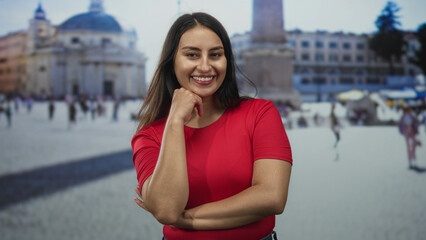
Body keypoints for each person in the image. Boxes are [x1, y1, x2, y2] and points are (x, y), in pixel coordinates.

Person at [131, 12, 292, 240]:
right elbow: (166, 209)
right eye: (192, 55)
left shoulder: (260, 113)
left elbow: (272, 197)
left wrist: (184, 219)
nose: (205, 66)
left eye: (215, 54)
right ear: (172, 61)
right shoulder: (149, 136)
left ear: (227, 60)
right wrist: (175, 122)